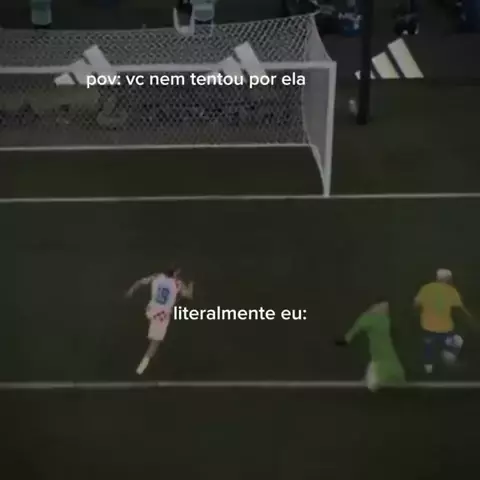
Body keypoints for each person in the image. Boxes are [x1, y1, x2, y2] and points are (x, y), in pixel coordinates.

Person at [126, 267, 194, 375]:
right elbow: (189, 295)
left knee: (153, 335)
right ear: (176, 272)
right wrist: (191, 284)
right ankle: (141, 368)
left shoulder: (157, 276)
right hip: (161, 316)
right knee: (155, 343)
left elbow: (139, 282)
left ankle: (151, 347)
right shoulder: (178, 283)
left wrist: (131, 289)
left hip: (151, 310)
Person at [335, 300, 406, 392]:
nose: (384, 308)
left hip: (381, 358)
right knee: (384, 366)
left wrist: (347, 339)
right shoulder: (381, 320)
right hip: (382, 356)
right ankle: (377, 377)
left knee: (374, 382)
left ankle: (376, 378)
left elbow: (356, 329)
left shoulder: (372, 319)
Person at [414, 269, 472, 374]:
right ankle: (448, 356)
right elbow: (461, 309)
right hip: (445, 329)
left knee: (429, 349)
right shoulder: (451, 291)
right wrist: (470, 317)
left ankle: (428, 372)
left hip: (427, 326)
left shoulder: (426, 288)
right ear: (448, 279)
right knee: (458, 340)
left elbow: (416, 303)